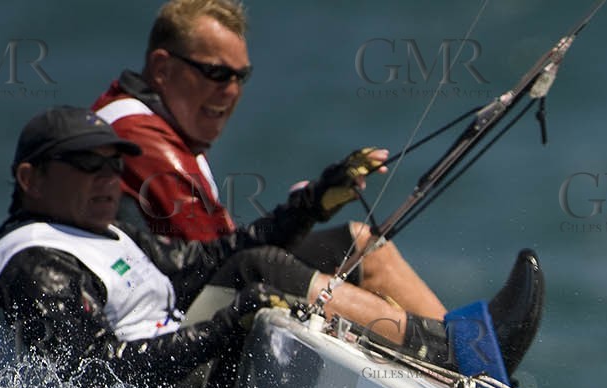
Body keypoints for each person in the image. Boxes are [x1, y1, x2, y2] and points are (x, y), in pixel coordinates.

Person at [0, 106, 541, 388]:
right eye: (87, 167)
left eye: (112, 166)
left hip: (191, 384)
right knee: (258, 275)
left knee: (343, 246)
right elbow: (92, 377)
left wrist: (311, 204)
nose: (107, 180)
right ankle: (465, 356)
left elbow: (204, 263)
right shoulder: (34, 265)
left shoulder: (104, 230)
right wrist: (228, 325)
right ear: (30, 178)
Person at [92, 0, 467, 327]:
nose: (232, 91)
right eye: (218, 74)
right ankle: (459, 351)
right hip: (168, 333)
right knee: (285, 263)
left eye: (242, 77)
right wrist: (305, 210)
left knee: (363, 246)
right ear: (162, 69)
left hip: (186, 292)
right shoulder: (140, 138)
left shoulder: (158, 123)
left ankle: (470, 353)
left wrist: (304, 211)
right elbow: (219, 260)